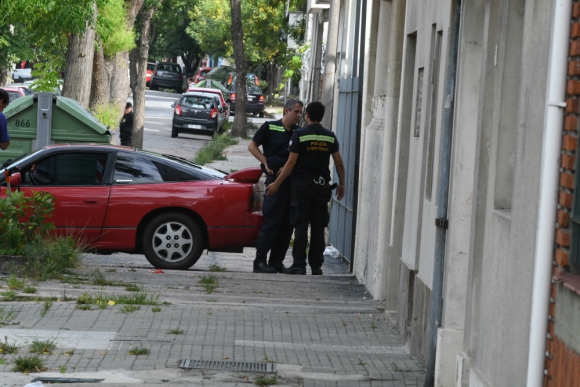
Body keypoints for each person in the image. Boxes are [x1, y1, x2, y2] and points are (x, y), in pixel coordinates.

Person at [266, 102, 345, 275]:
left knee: (301, 225)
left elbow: (291, 162)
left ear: (307, 115)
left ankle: (299, 265)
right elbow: (339, 162)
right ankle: (316, 266)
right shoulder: (330, 136)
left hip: (301, 187)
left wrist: (277, 183)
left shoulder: (299, 135)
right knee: (318, 226)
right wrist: (342, 184)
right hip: (321, 187)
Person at [248, 99, 304, 273]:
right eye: (296, 112)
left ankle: (276, 262)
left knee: (287, 227)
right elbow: (252, 146)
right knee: (271, 223)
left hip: (291, 184)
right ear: (286, 111)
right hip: (274, 182)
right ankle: (260, 262)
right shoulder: (270, 127)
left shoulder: (299, 132)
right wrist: (265, 162)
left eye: (301, 112)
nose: (299, 115)